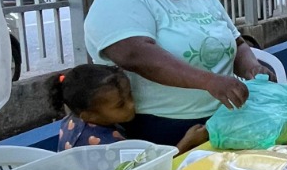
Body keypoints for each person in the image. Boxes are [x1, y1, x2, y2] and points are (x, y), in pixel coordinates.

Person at [84, 0, 266, 147]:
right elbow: (135, 54)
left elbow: (237, 42)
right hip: (165, 131)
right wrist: (209, 81)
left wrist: (252, 66)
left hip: (225, 121)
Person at [54, 63, 209, 153]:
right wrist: (187, 143)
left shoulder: (72, 120)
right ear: (90, 116)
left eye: (130, 95)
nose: (131, 105)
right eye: (120, 105)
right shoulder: (108, 145)